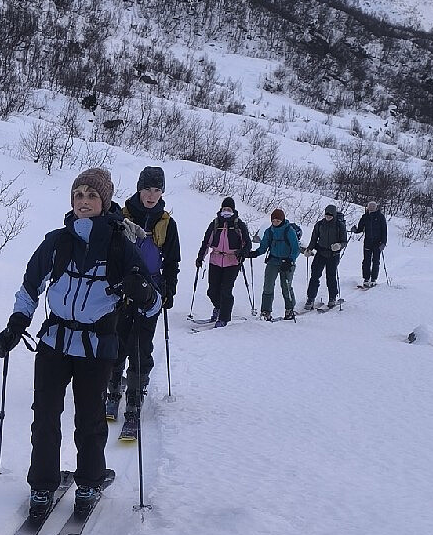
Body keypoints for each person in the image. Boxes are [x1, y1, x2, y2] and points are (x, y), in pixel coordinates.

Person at [0, 167, 159, 520]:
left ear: (105, 201)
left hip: (96, 347)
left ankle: (89, 482)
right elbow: (30, 287)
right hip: (54, 342)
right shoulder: (57, 242)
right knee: (44, 417)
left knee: (89, 419)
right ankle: (42, 486)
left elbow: (153, 304)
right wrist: (16, 324)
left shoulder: (120, 245)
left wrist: (143, 292)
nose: (84, 201)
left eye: (92, 195)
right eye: (78, 194)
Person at [108, 164, 181, 433]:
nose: (151, 195)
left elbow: (172, 261)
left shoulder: (167, 223)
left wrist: (169, 289)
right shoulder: (121, 216)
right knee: (116, 340)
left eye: (157, 190)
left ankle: (135, 397)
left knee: (141, 345)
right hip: (122, 289)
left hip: (151, 292)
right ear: (139, 189)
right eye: (147, 189)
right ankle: (113, 389)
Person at [195, 196, 252, 327]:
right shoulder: (215, 223)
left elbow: (247, 243)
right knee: (212, 291)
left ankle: (223, 318)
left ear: (233, 210)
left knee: (226, 291)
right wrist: (200, 257)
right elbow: (206, 242)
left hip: (232, 262)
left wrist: (242, 253)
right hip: (215, 260)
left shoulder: (239, 225)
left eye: (229, 209)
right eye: (224, 208)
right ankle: (219, 308)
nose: (226, 211)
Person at [249, 208, 302, 320]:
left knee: (286, 286)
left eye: (278, 221)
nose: (275, 223)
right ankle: (265, 311)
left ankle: (290, 309)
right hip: (273, 261)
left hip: (287, 262)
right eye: (273, 221)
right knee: (268, 286)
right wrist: (255, 253)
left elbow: (296, 248)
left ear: (282, 220)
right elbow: (264, 246)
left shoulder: (289, 231)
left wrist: (290, 260)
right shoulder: (269, 231)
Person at [303, 204, 348, 310]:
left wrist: (339, 246)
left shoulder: (340, 226)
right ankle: (310, 298)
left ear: (334, 215)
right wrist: (309, 249)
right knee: (315, 276)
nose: (328, 216)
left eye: (330, 215)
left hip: (333, 255)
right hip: (321, 253)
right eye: (326, 214)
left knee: (331, 276)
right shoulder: (319, 225)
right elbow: (314, 239)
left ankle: (332, 297)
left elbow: (344, 241)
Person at [352, 200, 388, 287]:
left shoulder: (380, 217)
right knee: (366, 261)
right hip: (367, 242)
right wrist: (355, 230)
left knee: (375, 261)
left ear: (376, 208)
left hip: (378, 243)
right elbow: (360, 228)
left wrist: (383, 243)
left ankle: (373, 279)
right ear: (367, 207)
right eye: (370, 207)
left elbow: (384, 230)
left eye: (373, 207)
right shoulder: (365, 217)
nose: (371, 208)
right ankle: (366, 279)